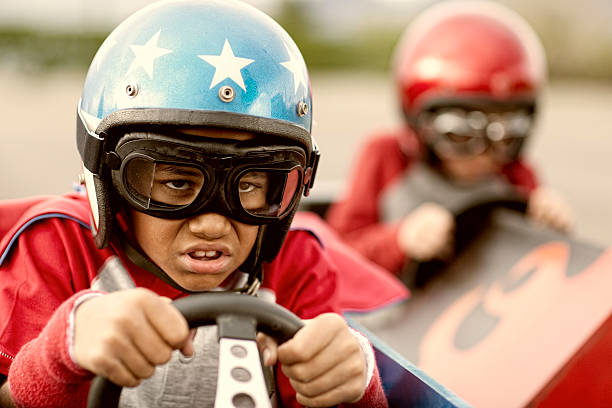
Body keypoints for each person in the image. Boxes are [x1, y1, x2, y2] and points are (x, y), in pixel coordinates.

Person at [0, 1, 388, 407]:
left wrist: (356, 379)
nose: (212, 224)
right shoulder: (57, 246)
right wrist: (57, 355)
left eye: (249, 183)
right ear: (109, 180)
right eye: (178, 181)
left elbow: (328, 390)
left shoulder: (296, 262)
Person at [326, 0, 573, 279]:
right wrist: (399, 240)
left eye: (507, 131)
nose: (484, 153)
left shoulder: (516, 173)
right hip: (393, 313)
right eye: (460, 132)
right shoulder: (385, 155)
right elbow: (336, 256)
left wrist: (551, 226)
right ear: (420, 123)